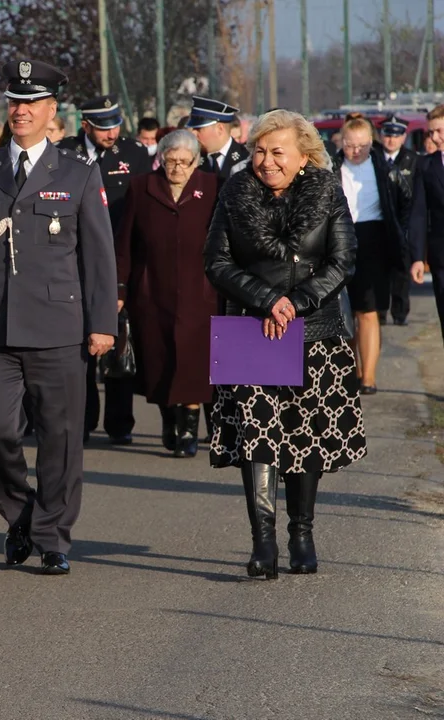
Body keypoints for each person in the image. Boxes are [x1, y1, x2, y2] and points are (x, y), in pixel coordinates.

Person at [0, 59, 118, 575]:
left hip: (59, 326)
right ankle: (21, 515)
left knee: (60, 437)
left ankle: (52, 537)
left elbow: (97, 254)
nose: (21, 111)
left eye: (32, 103)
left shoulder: (77, 172)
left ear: (51, 112)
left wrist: (103, 324)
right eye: (14, 102)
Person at [204, 109, 366, 580]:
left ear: (303, 157)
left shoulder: (326, 192)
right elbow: (215, 262)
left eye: (278, 152)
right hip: (252, 332)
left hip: (314, 333)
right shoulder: (234, 192)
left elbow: (343, 261)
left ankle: (301, 533)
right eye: (259, 150)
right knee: (258, 439)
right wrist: (268, 299)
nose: (266, 160)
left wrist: (296, 303)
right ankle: (262, 542)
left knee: (304, 435)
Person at [116, 129, 220, 458]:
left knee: (193, 362)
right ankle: (168, 419)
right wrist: (120, 287)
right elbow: (125, 244)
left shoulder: (213, 187)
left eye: (184, 162)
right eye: (170, 161)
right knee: (158, 361)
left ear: (196, 162)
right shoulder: (141, 187)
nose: (176, 168)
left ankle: (189, 428)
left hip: (199, 292)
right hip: (151, 290)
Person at [59, 94, 150, 444]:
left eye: (115, 125)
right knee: (78, 344)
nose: (111, 133)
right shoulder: (65, 151)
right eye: (102, 127)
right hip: (75, 257)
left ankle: (119, 423)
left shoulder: (134, 154)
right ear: (85, 126)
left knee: (116, 342)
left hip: (117, 256)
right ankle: (82, 420)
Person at [332, 112, 408, 394]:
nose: (356, 151)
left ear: (371, 143)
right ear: (342, 141)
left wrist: (401, 240)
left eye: (362, 145)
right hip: (341, 237)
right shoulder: (333, 165)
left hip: (374, 237)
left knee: (368, 309)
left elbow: (404, 201)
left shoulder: (384, 167)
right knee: (344, 310)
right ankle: (352, 370)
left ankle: (369, 376)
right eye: (350, 145)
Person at [410, 105, 444, 343]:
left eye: (440, 131)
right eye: (431, 132)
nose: (434, 137)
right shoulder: (425, 166)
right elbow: (419, 214)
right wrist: (417, 257)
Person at [380, 114, 417, 326]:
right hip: (381, 225)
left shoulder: (412, 160)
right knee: (382, 271)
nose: (391, 140)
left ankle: (400, 312)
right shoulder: (375, 158)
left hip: (403, 225)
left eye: (396, 136)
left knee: (402, 272)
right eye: (387, 135)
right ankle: (381, 311)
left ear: (403, 137)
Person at [186, 96, 249, 179]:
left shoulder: (246, 159)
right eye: (193, 129)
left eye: (199, 129)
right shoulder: (192, 161)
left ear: (220, 129)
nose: (193, 133)